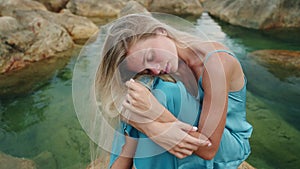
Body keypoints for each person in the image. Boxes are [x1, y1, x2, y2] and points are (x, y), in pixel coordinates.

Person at [95, 13, 252, 169]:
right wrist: (154, 129)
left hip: (228, 147)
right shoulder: (167, 65)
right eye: (147, 69)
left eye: (150, 56)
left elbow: (209, 149)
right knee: (139, 90)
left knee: (162, 93)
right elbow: (123, 103)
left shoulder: (216, 63)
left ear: (161, 31)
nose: (156, 70)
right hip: (193, 136)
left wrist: (159, 115)